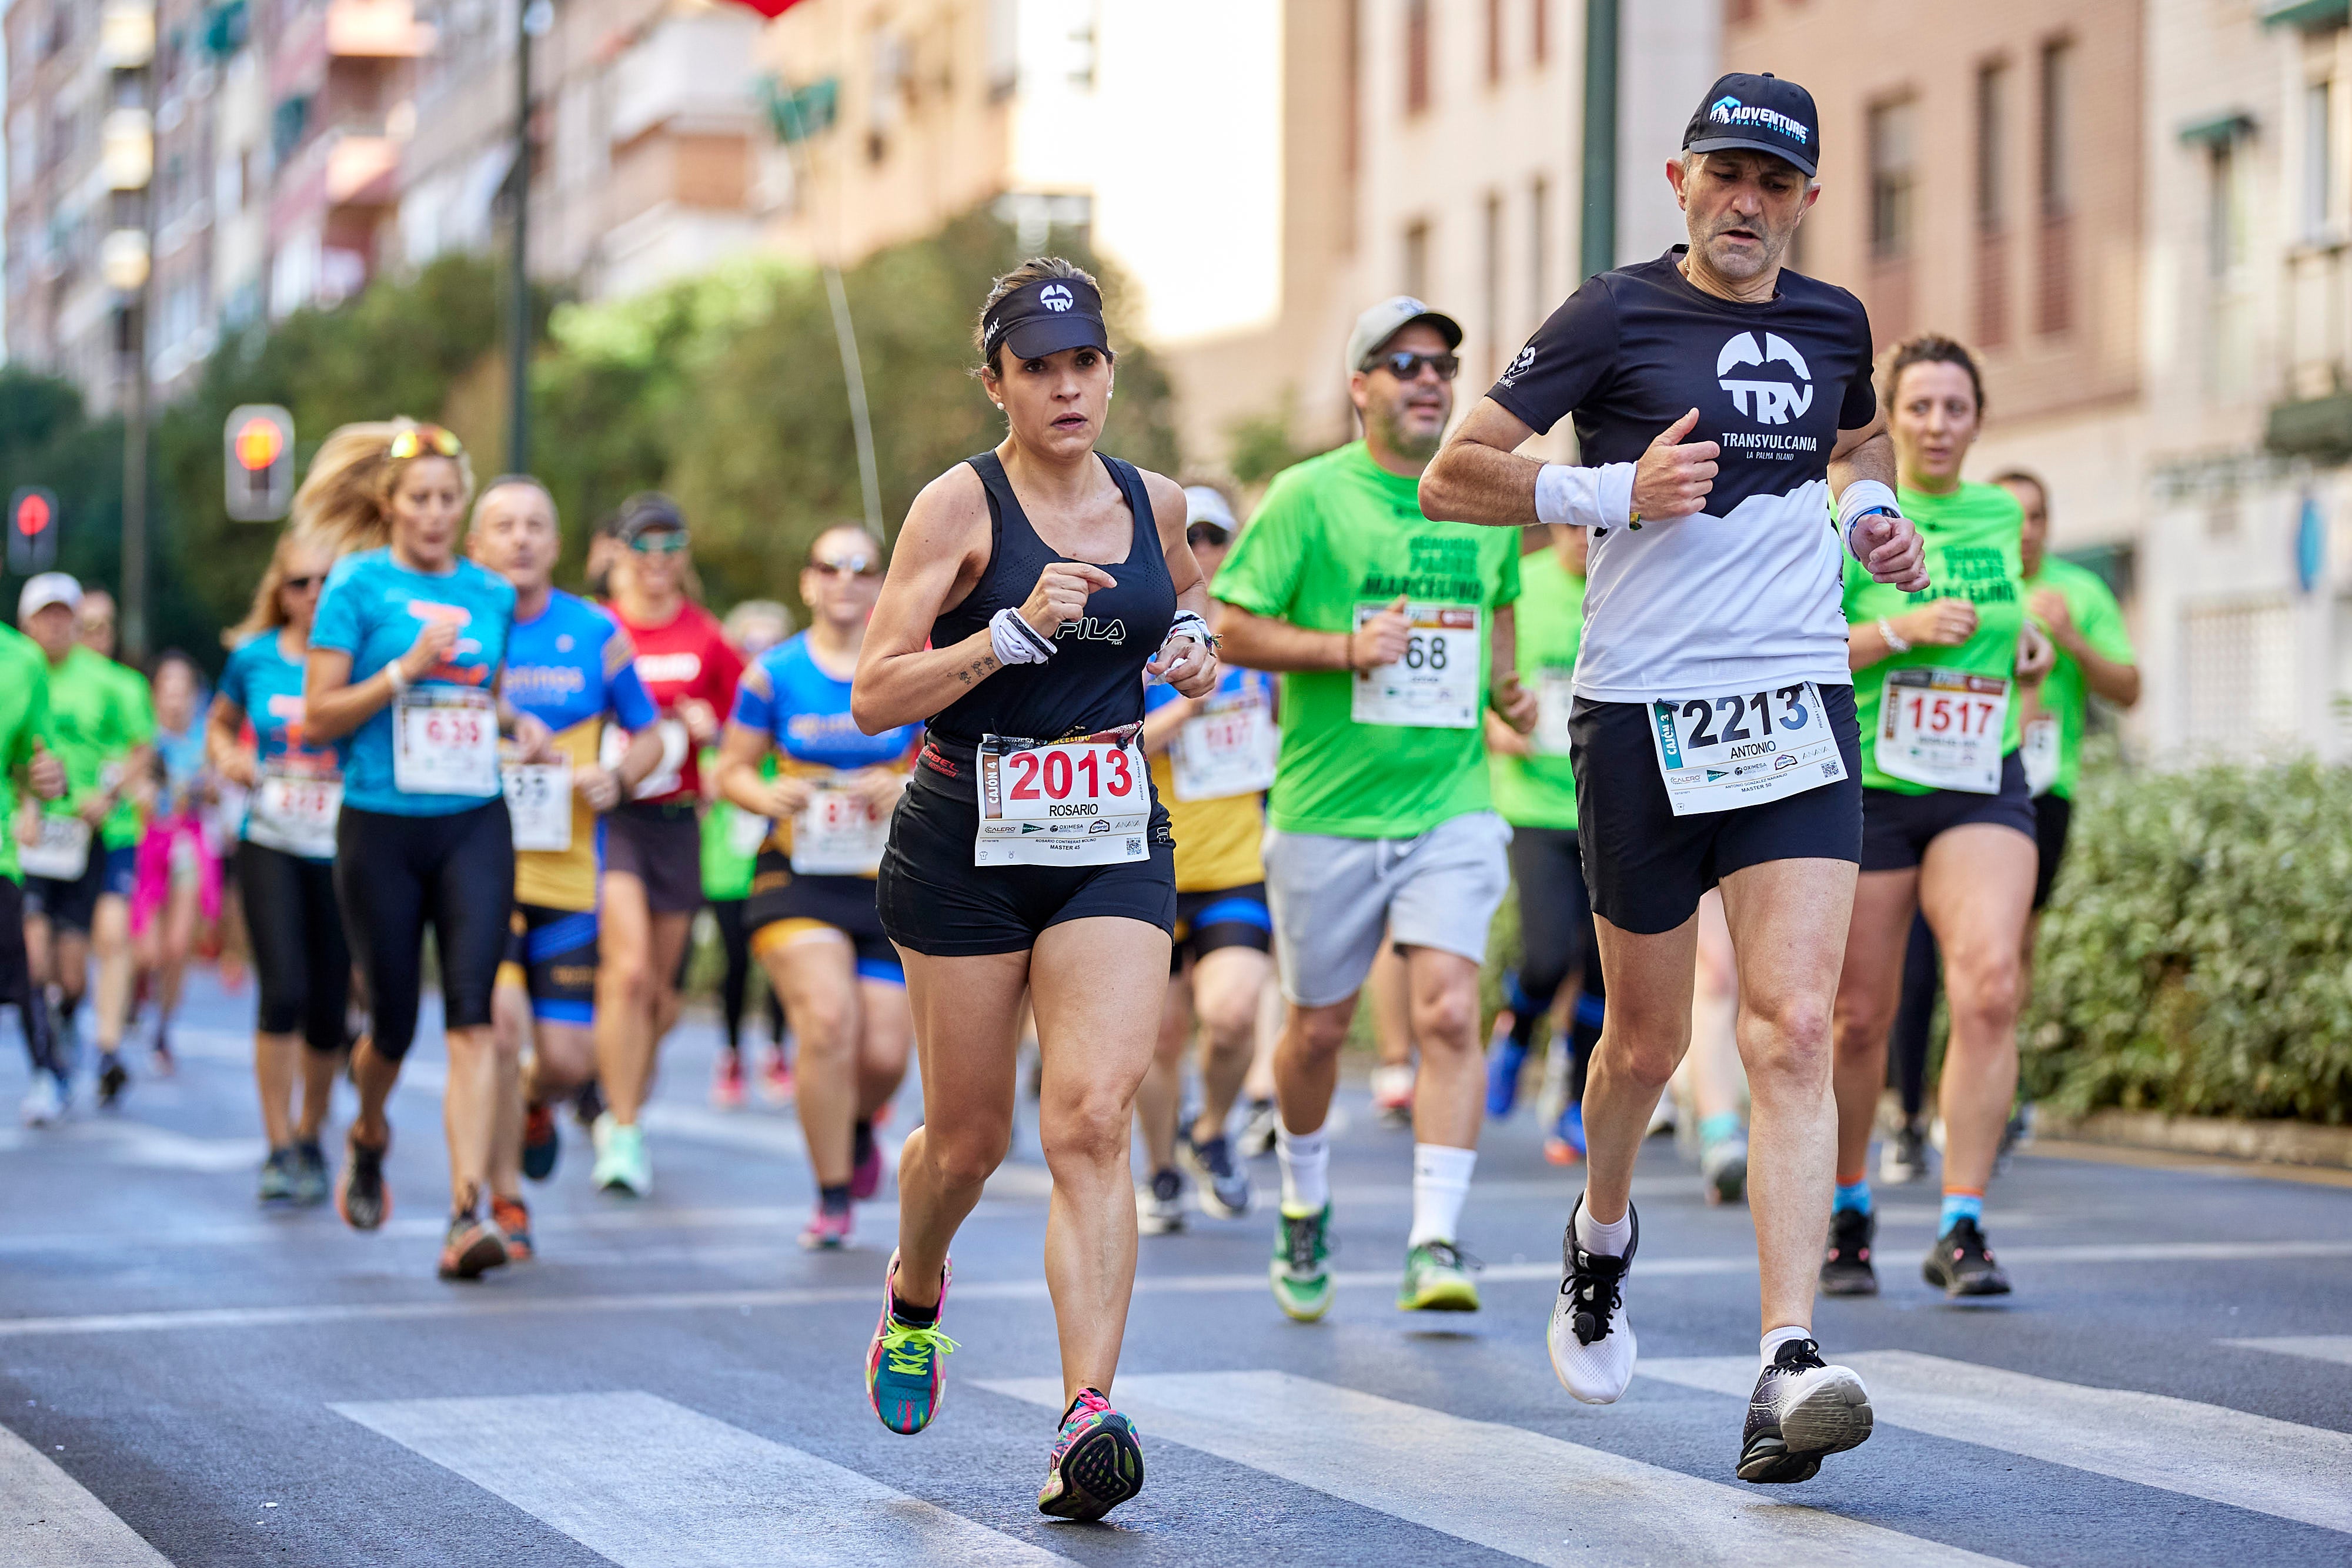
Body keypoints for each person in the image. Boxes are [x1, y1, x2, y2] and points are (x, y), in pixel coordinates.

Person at [1418, 72, 1932, 1482]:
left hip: (1793, 703)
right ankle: (1600, 1236)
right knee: (1643, 1046)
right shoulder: (1609, 314)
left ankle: (1785, 1360)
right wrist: (1606, 494)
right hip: (1642, 717)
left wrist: (1875, 511)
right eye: (1724, 176)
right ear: (1678, 182)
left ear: (1808, 199)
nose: (1747, 204)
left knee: (1788, 1028)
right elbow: (1452, 476)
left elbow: (1855, 430)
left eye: (1773, 184)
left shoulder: (1833, 320)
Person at [852, 257, 1218, 1520]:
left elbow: (1191, 617)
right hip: (963, 832)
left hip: (1107, 827)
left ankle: (1086, 1414)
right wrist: (1001, 636)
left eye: (1084, 364)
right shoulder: (957, 509)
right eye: (1038, 369)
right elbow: (872, 692)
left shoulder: (1152, 502)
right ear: (995, 383)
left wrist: (1190, 650)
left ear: (1108, 371)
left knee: (1092, 1117)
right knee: (967, 1139)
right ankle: (913, 1285)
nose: (1066, 388)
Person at [1213, 295, 1534, 1323]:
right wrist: (1343, 649)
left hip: (1450, 802)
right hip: (1325, 809)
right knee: (1314, 1031)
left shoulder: (1480, 502)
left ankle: (1435, 1234)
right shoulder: (1309, 497)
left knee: (1446, 1007)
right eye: (1404, 363)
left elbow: (1499, 629)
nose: (1430, 378)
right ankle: (1303, 1198)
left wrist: (1510, 692)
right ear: (1361, 387)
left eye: (1444, 362)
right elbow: (1232, 625)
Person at [1818, 335, 2050, 1303]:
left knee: (1991, 986)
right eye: (1919, 407)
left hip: (1978, 774)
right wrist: (1895, 632)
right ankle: (1848, 1204)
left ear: (1978, 419)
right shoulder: (1844, 511)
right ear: (1890, 418)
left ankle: (1963, 1222)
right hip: (1871, 781)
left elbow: (2006, 624)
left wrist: (2022, 647)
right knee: (1859, 1017)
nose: (1939, 425)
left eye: (1956, 408)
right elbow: (1804, 641)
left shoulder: (2001, 513)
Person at [300, 420, 549, 1281]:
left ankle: (465, 1210)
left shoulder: (490, 592)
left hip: (475, 817)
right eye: (422, 499)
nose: (438, 513)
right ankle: (367, 1131)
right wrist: (403, 669)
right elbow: (318, 715)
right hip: (381, 823)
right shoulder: (356, 584)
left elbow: (484, 695)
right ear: (390, 504)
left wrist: (522, 724)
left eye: (451, 499)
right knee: (396, 1025)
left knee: (476, 1018)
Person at [470, 476, 663, 1258]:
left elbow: (649, 733)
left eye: (535, 526)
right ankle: (505, 1200)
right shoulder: (458, 628)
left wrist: (618, 776)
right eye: (503, 526)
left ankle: (535, 1102)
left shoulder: (595, 630)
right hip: (477, 866)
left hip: (569, 868)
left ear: (556, 545)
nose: (519, 538)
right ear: (478, 545)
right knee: (498, 1025)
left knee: (563, 1058)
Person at [718, 527, 917, 1249]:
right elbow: (731, 769)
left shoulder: (904, 669)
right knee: (829, 1022)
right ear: (808, 583)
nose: (844, 579)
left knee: (887, 1054)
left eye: (862, 568)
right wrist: (766, 797)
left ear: (879, 585)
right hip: (794, 877)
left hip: (886, 878)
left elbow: (944, 765)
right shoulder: (772, 674)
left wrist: (900, 784)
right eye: (829, 566)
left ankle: (857, 1124)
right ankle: (831, 1193)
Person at [1131, 483, 1274, 1232]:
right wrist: (1186, 708)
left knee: (1232, 1013)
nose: (1204, 552)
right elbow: (1110, 744)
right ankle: (1159, 1171)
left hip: (1234, 866)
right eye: (1188, 537)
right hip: (1149, 865)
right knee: (1158, 1037)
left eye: (1214, 537)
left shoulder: (1253, 645)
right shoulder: (1132, 637)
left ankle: (1212, 1127)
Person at [593, 494, 744, 1196]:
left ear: (684, 554)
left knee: (660, 997)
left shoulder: (707, 636)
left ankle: (615, 1093)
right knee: (625, 976)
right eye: (642, 547)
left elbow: (748, 720)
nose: (657, 562)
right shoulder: (598, 629)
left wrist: (710, 727)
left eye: (670, 546)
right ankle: (622, 1129)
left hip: (679, 822)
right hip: (614, 819)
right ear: (617, 552)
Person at [211, 532, 351, 1203]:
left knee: (329, 1005)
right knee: (284, 990)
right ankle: (275, 1147)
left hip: (342, 841)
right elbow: (219, 725)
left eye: (327, 580)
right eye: (300, 583)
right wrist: (229, 758)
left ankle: (310, 1134)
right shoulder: (253, 658)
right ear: (279, 591)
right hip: (270, 837)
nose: (314, 594)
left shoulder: (357, 657)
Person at [1480, 523, 1611, 1172]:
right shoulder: (1521, 587)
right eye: (1580, 528)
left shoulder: (1632, 582)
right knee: (1545, 957)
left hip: (1614, 808)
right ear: (1559, 524)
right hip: (1535, 803)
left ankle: (1571, 1100)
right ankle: (1518, 1028)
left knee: (1601, 969)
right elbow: (1477, 673)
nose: (1589, 542)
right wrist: (1490, 723)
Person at [18, 574, 153, 1108]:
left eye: (65, 616)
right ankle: (55, 1062)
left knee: (84, 958)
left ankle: (81, 1022)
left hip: (97, 832)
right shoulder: (19, 674)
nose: (57, 625)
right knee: (33, 955)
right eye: (44, 615)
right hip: (31, 834)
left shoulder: (112, 682)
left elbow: (142, 750)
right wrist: (25, 806)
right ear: (27, 622)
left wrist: (111, 792)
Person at [706, 599, 795, 1109]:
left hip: (778, 857)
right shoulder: (724, 717)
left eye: (769, 645)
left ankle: (778, 1052)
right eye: (748, 645)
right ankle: (733, 1053)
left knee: (786, 960)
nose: (757, 656)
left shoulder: (790, 707)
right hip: (725, 861)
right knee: (735, 962)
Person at [131, 653, 220, 1069]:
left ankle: (163, 1028)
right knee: (147, 951)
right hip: (146, 847)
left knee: (178, 946)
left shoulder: (206, 739)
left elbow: (221, 792)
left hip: (188, 844)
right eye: (167, 690)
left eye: (182, 690)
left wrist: (208, 788)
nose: (174, 700)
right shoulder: (142, 736)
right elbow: (126, 786)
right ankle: (136, 989)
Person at [0, 622, 65, 1124]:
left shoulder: (23, 660)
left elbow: (36, 764)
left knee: (21, 963)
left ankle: (48, 1067)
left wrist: (47, 785)